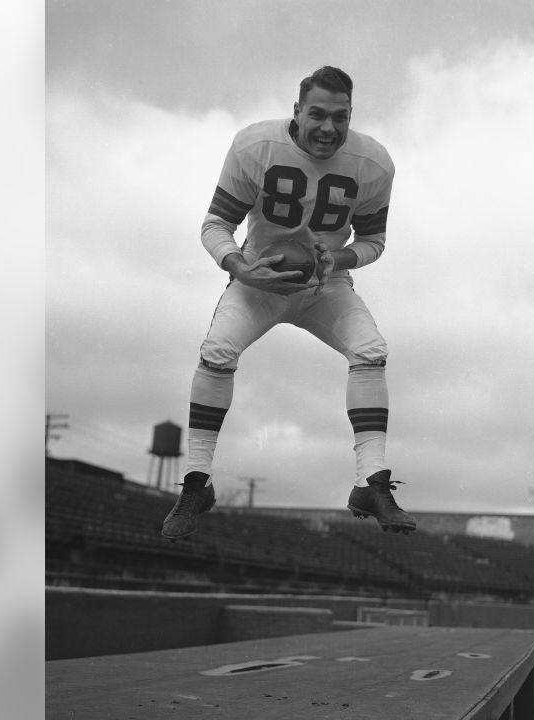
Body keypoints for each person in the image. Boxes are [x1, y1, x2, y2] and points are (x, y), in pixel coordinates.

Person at [161, 66, 415, 540]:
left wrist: (337, 256)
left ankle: (371, 482)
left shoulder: (373, 163)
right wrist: (239, 266)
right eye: (317, 114)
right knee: (217, 350)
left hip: (326, 284)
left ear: (351, 116)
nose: (328, 128)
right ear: (296, 111)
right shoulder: (256, 146)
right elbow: (215, 225)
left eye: (340, 117)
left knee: (370, 350)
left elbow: (374, 240)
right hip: (259, 279)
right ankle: (196, 484)